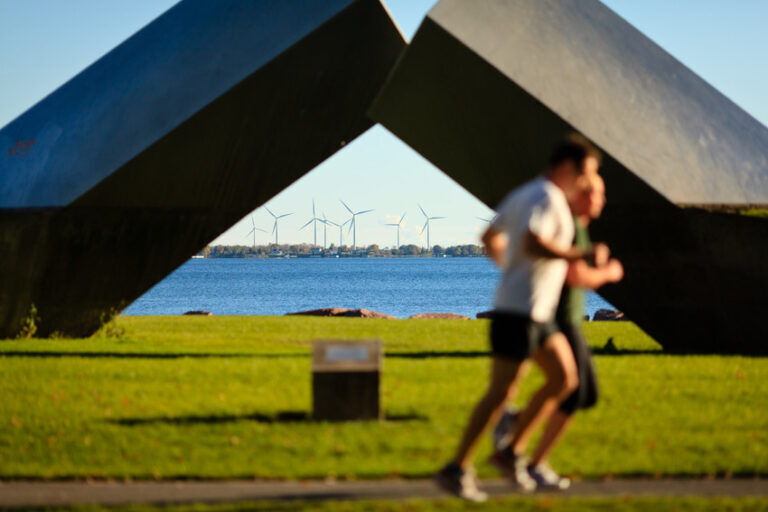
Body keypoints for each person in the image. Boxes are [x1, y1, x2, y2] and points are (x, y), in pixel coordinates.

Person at [434, 134, 601, 501]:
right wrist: (576, 255)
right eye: (587, 173)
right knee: (501, 393)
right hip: (519, 312)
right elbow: (531, 242)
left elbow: (489, 235)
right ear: (567, 168)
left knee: (564, 378)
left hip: (533, 311)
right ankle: (457, 467)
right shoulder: (546, 197)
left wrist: (509, 268)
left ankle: (510, 453)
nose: (589, 182)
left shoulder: (525, 192)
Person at [492, 174, 624, 490]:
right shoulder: (570, 226)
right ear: (582, 196)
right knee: (575, 389)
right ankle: (526, 456)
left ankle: (523, 446)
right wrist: (608, 273)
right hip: (559, 319)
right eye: (597, 194)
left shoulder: (573, 225)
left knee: (574, 390)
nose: (602, 200)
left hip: (561, 319)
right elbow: (574, 275)